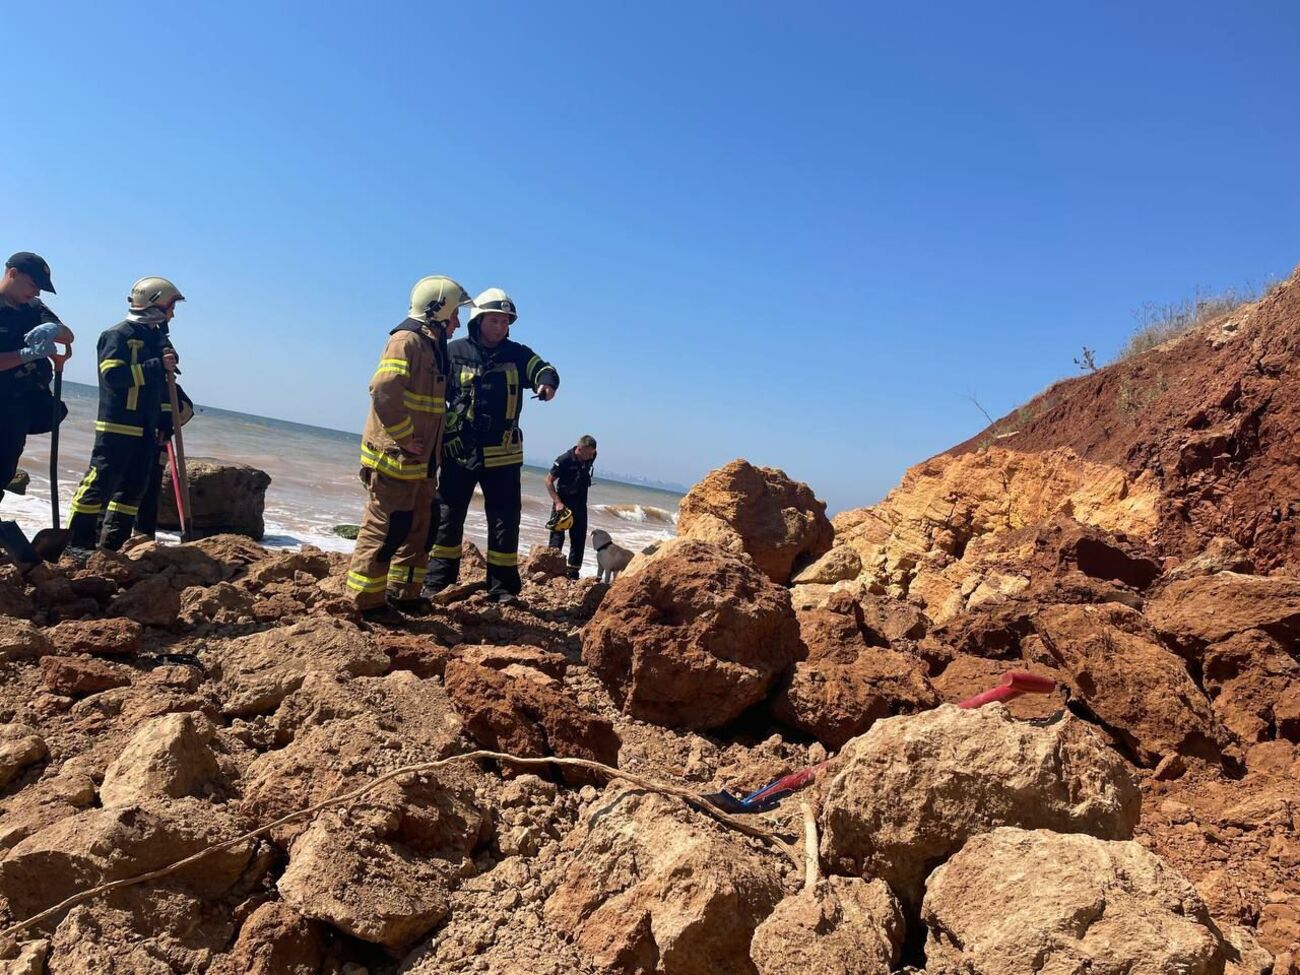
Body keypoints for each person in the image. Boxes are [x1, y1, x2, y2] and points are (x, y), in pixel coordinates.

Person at [345, 275, 470, 620]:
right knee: (386, 529)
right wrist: (403, 436)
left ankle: (404, 594)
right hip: (395, 459)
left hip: (422, 462)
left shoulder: (432, 346)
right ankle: (366, 602)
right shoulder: (406, 341)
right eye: (455, 314)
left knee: (420, 528)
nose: (458, 323)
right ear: (438, 311)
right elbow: (383, 389)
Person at [426, 288, 559, 603]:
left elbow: (544, 369)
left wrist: (546, 384)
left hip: (503, 456)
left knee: (505, 521)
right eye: (495, 321)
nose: (501, 327)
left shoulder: (518, 354)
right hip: (460, 451)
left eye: (505, 322)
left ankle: (502, 589)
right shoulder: (453, 351)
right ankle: (438, 582)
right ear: (479, 319)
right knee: (447, 516)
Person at [67, 277, 183, 551]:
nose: (173, 314)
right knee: (99, 485)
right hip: (117, 426)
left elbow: (163, 387)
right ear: (155, 304)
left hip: (147, 430)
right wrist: (156, 364)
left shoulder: (158, 339)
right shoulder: (117, 335)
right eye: (170, 307)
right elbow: (113, 376)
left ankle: (111, 548)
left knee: (133, 491)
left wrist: (166, 420)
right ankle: (76, 544)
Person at [0, 253, 73, 508]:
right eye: (32, 285)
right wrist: (25, 355)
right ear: (13, 274)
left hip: (18, 406)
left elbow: (68, 336)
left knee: (5, 469)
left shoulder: (34, 308)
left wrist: (54, 329)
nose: (35, 292)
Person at [133, 318, 194, 541]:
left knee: (151, 490)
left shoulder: (173, 389)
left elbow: (186, 411)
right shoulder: (148, 386)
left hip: (158, 447)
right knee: (131, 488)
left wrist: (168, 424)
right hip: (138, 441)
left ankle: (144, 535)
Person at [545, 434, 597, 579]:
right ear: (580, 449)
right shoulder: (564, 460)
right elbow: (548, 481)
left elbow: (591, 455)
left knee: (579, 538)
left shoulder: (591, 455)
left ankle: (573, 572)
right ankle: (552, 569)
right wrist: (558, 502)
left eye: (593, 453)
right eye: (589, 453)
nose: (591, 456)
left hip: (580, 504)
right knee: (557, 536)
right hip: (563, 503)